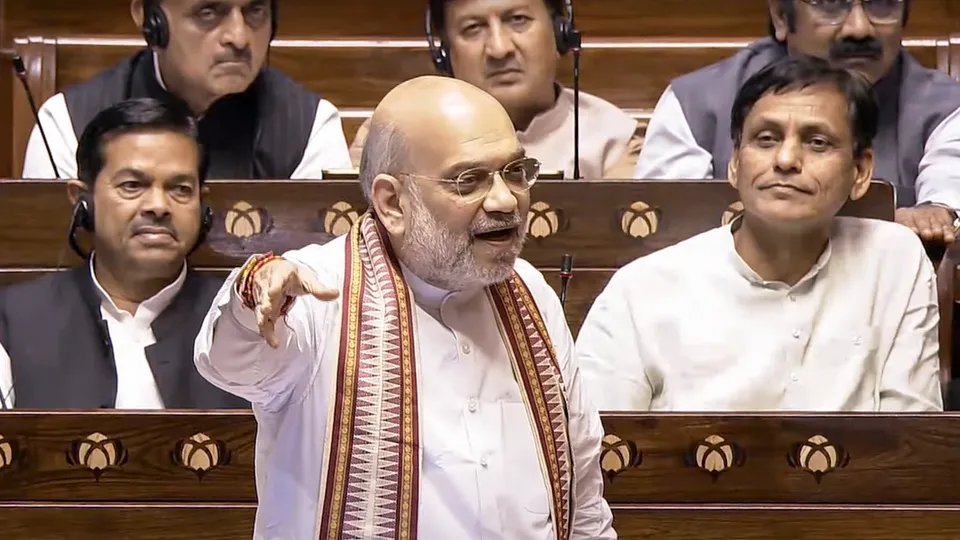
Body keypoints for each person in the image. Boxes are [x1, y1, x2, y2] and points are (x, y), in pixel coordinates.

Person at [194, 76, 616, 538]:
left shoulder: (529, 293)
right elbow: (229, 364)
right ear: (392, 203)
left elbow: (582, 494)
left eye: (515, 172)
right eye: (468, 180)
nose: (504, 200)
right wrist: (252, 292)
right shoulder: (317, 292)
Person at [577, 56, 943, 412]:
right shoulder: (642, 290)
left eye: (817, 143)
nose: (785, 160)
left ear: (860, 172)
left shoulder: (894, 261)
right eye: (766, 139)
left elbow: (911, 443)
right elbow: (594, 449)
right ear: (735, 164)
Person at [634, 0, 960, 244]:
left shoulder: (947, 107)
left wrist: (935, 215)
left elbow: (947, 202)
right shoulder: (695, 103)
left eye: (882, 3)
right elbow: (666, 235)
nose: (860, 28)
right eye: (831, 4)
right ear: (780, 15)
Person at [0, 98, 248, 410]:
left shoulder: (241, 320)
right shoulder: (11, 322)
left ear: (202, 204)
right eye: (132, 185)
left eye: (180, 189)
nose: (158, 205)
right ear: (82, 199)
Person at [21, 0, 351, 180]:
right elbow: (50, 277)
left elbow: (320, 278)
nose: (238, 37)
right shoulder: (66, 125)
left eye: (255, 11)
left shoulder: (309, 127)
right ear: (150, 18)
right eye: (209, 12)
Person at [349, 0, 642, 180]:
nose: (499, 48)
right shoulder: (394, 136)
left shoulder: (614, 142)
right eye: (473, 28)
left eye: (518, 20)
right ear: (444, 53)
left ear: (559, 33)